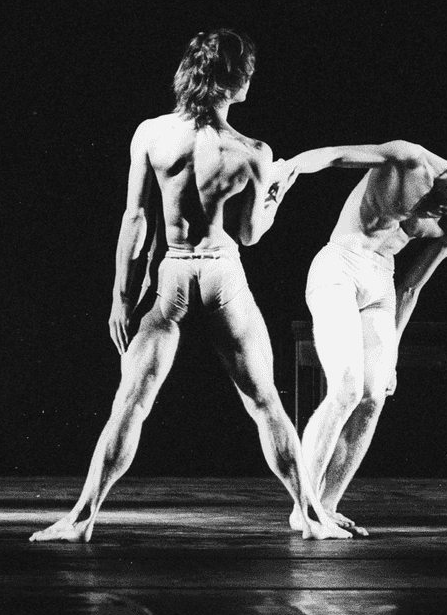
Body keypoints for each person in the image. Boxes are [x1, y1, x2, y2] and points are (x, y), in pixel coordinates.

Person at [30, 30, 350, 542]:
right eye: (247, 74)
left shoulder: (153, 134)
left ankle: (81, 518)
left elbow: (135, 220)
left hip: (173, 273)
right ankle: (311, 516)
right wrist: (274, 196)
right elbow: (249, 234)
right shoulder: (252, 151)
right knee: (264, 402)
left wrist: (121, 297)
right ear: (233, 80)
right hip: (222, 272)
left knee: (131, 403)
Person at [281, 141, 447, 536]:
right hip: (340, 266)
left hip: (381, 283)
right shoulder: (411, 160)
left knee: (372, 397)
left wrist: (392, 355)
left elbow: (411, 289)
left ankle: (327, 504)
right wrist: (288, 168)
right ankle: (304, 507)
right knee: (345, 390)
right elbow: (333, 156)